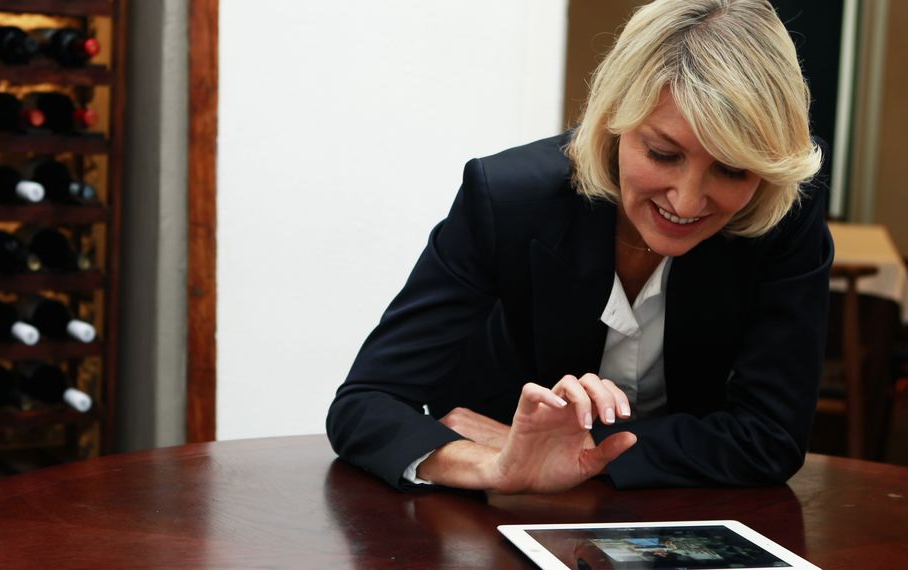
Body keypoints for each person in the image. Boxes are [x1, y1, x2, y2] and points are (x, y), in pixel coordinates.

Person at [326, 0, 833, 494]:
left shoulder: (784, 215)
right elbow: (365, 402)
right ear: (614, 119)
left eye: (731, 169)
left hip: (676, 510)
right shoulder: (506, 199)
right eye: (662, 153)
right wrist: (493, 465)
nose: (687, 198)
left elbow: (771, 438)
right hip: (494, 516)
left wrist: (584, 449)